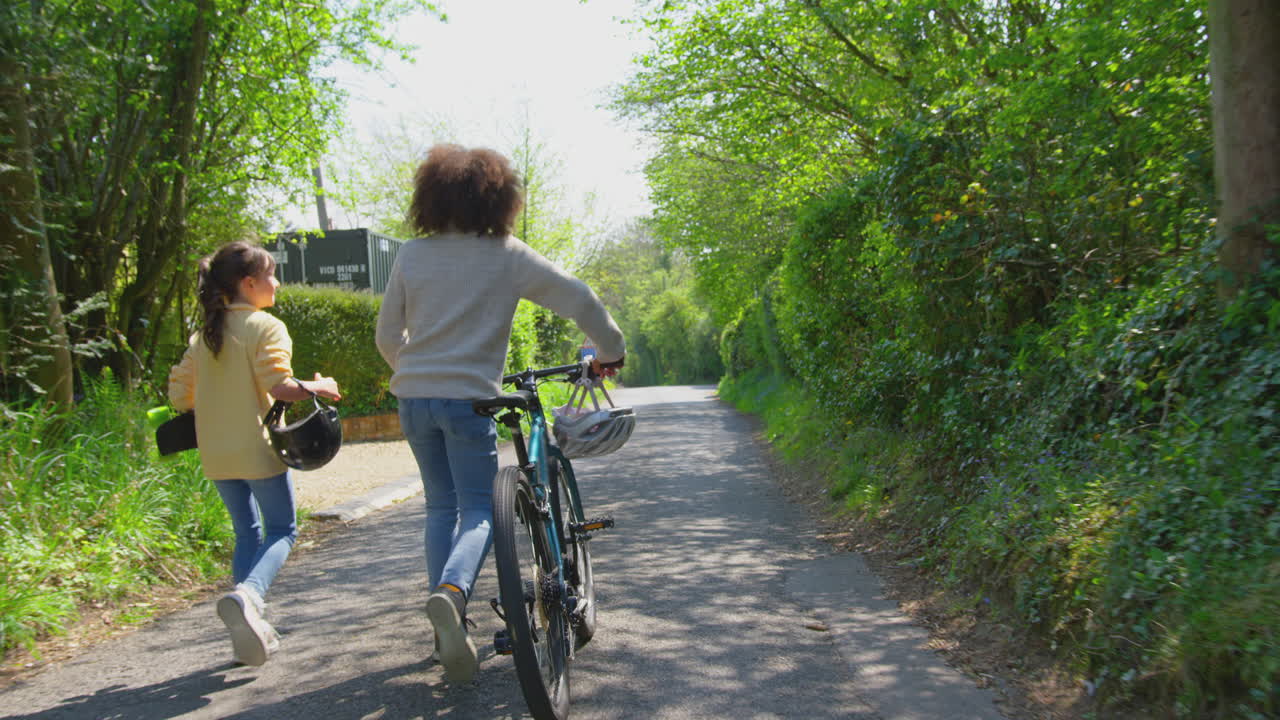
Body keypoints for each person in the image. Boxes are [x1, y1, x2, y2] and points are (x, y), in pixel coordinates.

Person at [375, 144, 625, 685]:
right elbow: (580, 299)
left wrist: (417, 373)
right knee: (479, 510)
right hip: (469, 401)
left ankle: (447, 625)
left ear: (431, 197)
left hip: (413, 400)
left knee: (440, 507)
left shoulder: (412, 254)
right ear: (499, 200)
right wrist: (611, 350)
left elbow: (387, 335)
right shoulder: (506, 255)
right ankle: (452, 592)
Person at [168, 241, 342, 666]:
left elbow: (178, 396)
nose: (277, 283)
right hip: (256, 449)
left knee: (246, 533)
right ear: (249, 283)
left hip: (216, 454)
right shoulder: (265, 326)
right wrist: (321, 386)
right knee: (283, 529)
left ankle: (246, 633)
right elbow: (279, 386)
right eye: (271, 275)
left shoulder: (204, 336)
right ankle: (250, 596)